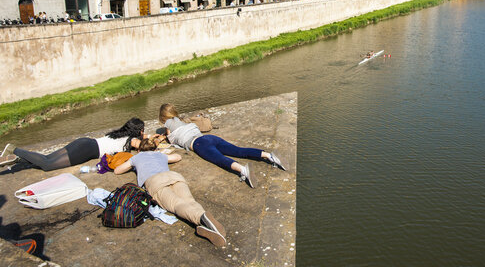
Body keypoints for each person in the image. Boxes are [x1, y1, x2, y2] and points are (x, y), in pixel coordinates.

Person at [114, 139, 227, 247]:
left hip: (155, 182)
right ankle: (206, 220)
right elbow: (177, 157)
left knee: (177, 204)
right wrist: (160, 155)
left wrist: (133, 164)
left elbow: (117, 170)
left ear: (139, 150)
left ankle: (201, 218)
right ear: (155, 149)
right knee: (189, 201)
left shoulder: (137, 157)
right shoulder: (160, 155)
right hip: (174, 176)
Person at [157, 103, 285, 188]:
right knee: (239, 150)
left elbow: (171, 138)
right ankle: (269, 155)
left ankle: (243, 170)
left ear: (164, 117)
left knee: (219, 159)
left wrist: (163, 136)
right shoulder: (181, 121)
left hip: (198, 144)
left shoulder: (168, 123)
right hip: (209, 138)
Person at [1, 118, 146, 171]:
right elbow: (145, 146)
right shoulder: (131, 140)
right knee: (47, 165)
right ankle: (14, 149)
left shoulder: (120, 133)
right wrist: (150, 138)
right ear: (138, 131)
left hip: (84, 142)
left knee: (47, 158)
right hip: (86, 150)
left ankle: (19, 159)